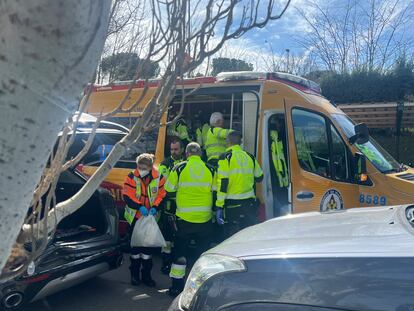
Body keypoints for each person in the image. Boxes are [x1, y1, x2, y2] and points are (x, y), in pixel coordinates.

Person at [165, 142, 216, 297]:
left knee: (180, 255)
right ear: (200, 154)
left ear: (186, 154)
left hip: (184, 220)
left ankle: (176, 288)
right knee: (201, 255)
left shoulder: (179, 168)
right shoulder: (211, 169)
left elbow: (169, 188)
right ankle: (199, 289)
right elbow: (215, 191)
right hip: (205, 220)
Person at [122, 153, 166, 287]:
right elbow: (127, 195)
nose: (140, 170)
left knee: (147, 251)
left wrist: (155, 207)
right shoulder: (131, 176)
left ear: (150, 167)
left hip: (150, 218)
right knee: (135, 250)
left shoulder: (159, 177)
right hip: (135, 218)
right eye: (139, 167)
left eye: (143, 168)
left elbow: (162, 195)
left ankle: (146, 276)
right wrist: (139, 206)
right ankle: (134, 276)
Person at [215, 131, 263, 239]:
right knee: (249, 237)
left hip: (232, 206)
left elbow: (223, 182)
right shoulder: (250, 157)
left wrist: (219, 205)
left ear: (228, 142)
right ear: (240, 143)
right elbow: (260, 177)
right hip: (249, 205)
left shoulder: (225, 157)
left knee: (232, 239)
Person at [158, 138, 185, 274]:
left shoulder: (186, 163)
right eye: (171, 149)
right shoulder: (165, 164)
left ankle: (178, 261)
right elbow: (166, 184)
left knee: (180, 235)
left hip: (183, 205)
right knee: (167, 236)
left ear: (182, 149)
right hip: (169, 204)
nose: (173, 152)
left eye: (176, 149)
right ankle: (166, 263)